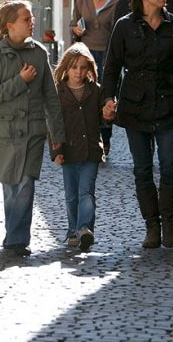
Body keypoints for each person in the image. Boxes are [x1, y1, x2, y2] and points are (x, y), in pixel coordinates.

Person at [102, 0, 173, 249]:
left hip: (169, 105)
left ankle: (169, 222)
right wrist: (108, 99)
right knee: (142, 169)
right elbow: (110, 67)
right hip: (135, 107)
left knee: (170, 165)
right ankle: (152, 226)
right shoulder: (124, 26)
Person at [0, 0, 65, 257]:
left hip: (32, 131)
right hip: (6, 133)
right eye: (26, 19)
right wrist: (19, 81)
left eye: (31, 18)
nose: (32, 23)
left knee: (26, 184)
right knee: (10, 187)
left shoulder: (39, 53)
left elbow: (51, 97)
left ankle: (18, 240)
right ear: (10, 26)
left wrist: (57, 137)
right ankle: (13, 234)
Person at [53, 43, 104, 251]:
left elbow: (103, 117)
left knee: (87, 192)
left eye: (83, 67)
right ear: (66, 68)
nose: (79, 72)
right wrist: (56, 151)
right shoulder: (59, 92)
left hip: (91, 149)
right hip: (68, 150)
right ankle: (73, 230)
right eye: (74, 67)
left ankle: (84, 229)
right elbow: (53, 124)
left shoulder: (95, 90)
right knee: (71, 195)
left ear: (89, 69)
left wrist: (109, 112)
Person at [70, 0, 116, 155]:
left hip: (106, 54)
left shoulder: (114, 4)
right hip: (86, 54)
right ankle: (88, 137)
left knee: (105, 95)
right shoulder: (81, 2)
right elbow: (73, 24)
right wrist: (76, 30)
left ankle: (105, 138)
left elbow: (117, 29)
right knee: (86, 94)